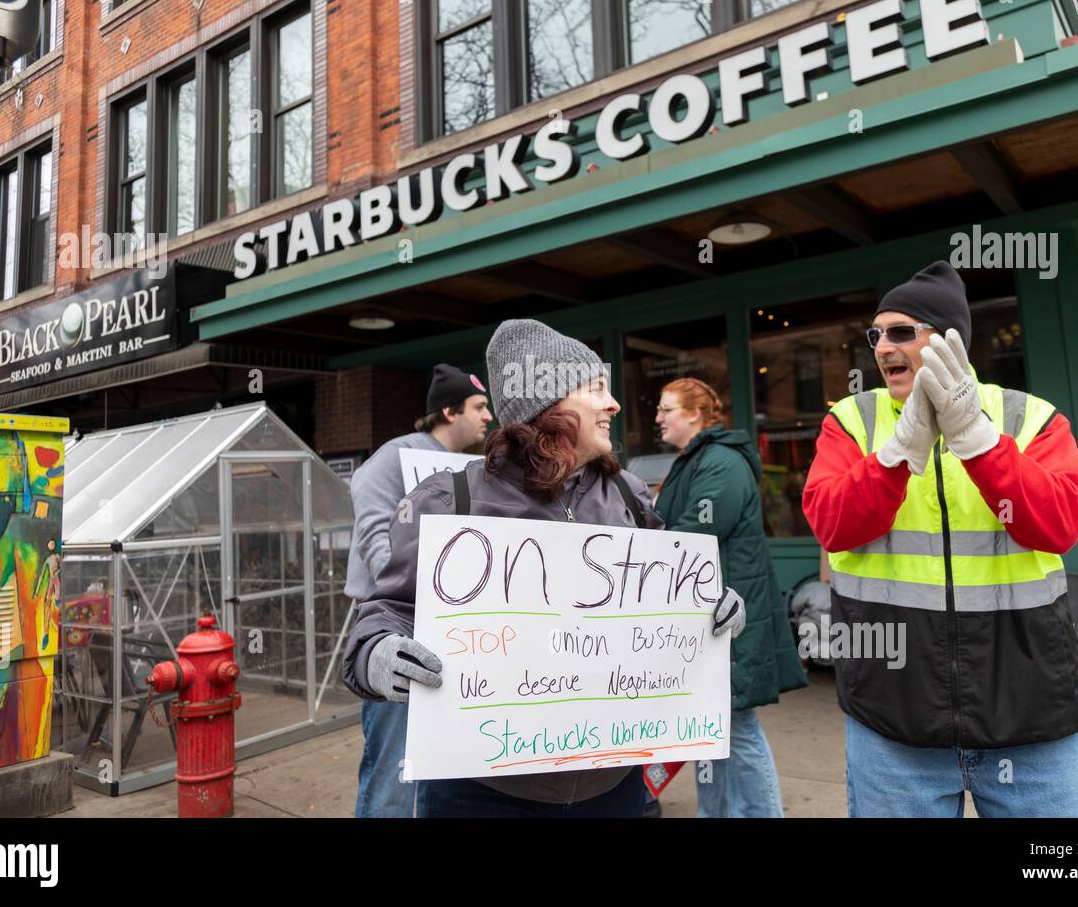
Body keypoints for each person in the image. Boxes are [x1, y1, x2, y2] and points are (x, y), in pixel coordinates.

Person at [342, 319, 749, 817]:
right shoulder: (453, 501)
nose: (614, 404)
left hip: (614, 785)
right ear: (546, 407)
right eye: (596, 389)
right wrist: (377, 653)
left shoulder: (629, 495)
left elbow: (670, 605)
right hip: (483, 790)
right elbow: (385, 611)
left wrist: (713, 612)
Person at [802, 260, 1078, 817]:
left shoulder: (1029, 418)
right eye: (875, 335)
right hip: (893, 720)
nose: (882, 346)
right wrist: (893, 458)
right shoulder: (851, 420)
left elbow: (1059, 524)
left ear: (950, 341)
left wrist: (979, 441)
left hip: (1030, 713)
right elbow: (831, 523)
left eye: (900, 332)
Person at [653, 378, 807, 817]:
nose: (658, 419)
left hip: (726, 617)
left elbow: (696, 533)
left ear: (695, 415)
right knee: (710, 725)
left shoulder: (720, 461)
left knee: (735, 726)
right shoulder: (698, 459)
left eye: (667, 409)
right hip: (710, 615)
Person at [348, 363, 492, 818]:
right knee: (395, 765)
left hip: (458, 631)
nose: (489, 416)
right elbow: (374, 529)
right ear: (449, 411)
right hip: (400, 627)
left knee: (442, 763)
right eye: (479, 406)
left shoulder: (476, 465)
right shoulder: (396, 455)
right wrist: (412, 591)